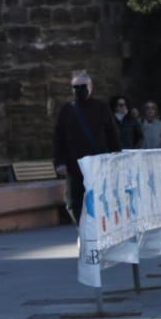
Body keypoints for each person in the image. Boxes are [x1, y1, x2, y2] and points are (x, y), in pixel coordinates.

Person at [52, 70, 121, 222]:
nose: (79, 90)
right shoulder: (67, 110)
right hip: (74, 165)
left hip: (98, 164)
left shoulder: (101, 107)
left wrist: (116, 156)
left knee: (100, 200)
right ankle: (83, 230)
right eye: (75, 87)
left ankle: (98, 230)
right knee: (74, 202)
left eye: (82, 86)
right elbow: (59, 138)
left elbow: (112, 133)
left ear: (91, 86)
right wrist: (59, 162)